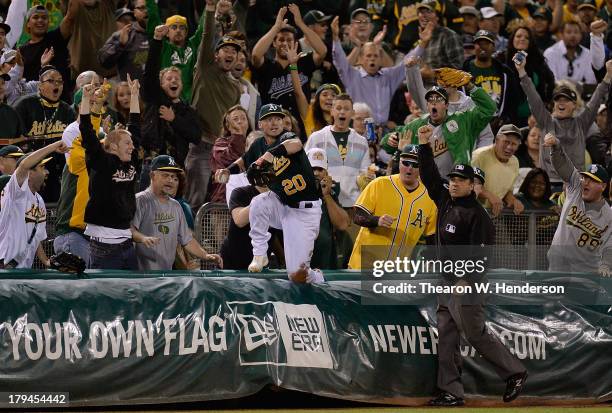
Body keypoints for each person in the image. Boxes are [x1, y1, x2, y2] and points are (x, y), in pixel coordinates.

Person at [416, 124, 528, 407]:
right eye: (452, 178)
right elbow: (429, 176)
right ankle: (451, 391)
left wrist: (465, 280)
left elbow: (481, 256)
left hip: (467, 285)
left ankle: (515, 372)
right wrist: (424, 144)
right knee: (448, 337)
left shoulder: (479, 217)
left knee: (474, 333)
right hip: (447, 281)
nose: (454, 182)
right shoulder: (446, 201)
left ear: (474, 186)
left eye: (461, 179)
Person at [516, 54, 612, 187]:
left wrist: (608, 76)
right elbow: (533, 97)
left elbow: (596, 99)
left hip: (574, 185)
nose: (561, 103)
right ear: (554, 104)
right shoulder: (545, 121)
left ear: (574, 105)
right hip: (547, 184)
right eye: (558, 100)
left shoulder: (581, 122)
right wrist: (522, 71)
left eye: (566, 100)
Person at [79, 75, 141, 270]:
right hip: (103, 246)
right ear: (113, 146)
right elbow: (87, 132)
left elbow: (135, 127)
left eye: (131, 143)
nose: (132, 147)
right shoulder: (101, 162)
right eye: (127, 143)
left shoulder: (131, 163)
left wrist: (135, 96)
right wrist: (85, 101)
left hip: (127, 242)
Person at [246, 131, 324, 283]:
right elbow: (248, 169)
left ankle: (317, 277)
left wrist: (267, 156)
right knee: (258, 203)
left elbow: (295, 143)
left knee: (297, 274)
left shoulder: (291, 150)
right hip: (284, 206)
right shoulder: (269, 166)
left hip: (305, 213)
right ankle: (260, 254)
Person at [186, 0, 241, 211]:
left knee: (221, 201)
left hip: (222, 150)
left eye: (234, 51)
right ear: (215, 54)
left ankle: (213, 242)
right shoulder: (205, 68)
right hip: (200, 146)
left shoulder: (236, 88)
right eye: (225, 49)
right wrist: (210, 10)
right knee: (195, 200)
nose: (229, 53)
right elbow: (207, 37)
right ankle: (186, 243)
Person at [348, 144, 437, 269]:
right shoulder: (380, 184)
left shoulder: (430, 197)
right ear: (399, 162)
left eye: (415, 164)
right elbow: (357, 216)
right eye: (405, 163)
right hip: (363, 265)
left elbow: (432, 237)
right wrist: (376, 220)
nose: (409, 168)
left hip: (396, 271)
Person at [381, 81, 496, 178]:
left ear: (446, 105)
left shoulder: (462, 120)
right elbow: (387, 142)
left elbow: (489, 108)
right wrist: (390, 140)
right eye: (430, 101)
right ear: (427, 106)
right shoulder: (416, 125)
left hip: (454, 183)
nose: (434, 103)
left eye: (438, 100)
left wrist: (470, 86)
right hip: (423, 185)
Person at [131, 155, 222, 271]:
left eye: (174, 177)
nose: (171, 180)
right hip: (142, 275)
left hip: (167, 274)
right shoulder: (140, 200)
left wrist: (205, 255)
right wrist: (143, 238)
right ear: (152, 175)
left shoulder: (176, 206)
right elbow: (129, 231)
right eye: (165, 175)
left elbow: (187, 240)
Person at [251, 5, 327, 134]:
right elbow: (256, 55)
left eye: (289, 40)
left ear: (295, 43)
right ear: (274, 43)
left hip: (300, 127)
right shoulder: (267, 66)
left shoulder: (303, 62)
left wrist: (300, 24)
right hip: (272, 128)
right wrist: (276, 28)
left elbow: (322, 51)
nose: (285, 43)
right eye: (280, 39)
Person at [544, 132, 612, 275]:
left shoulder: (609, 215)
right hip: (558, 267)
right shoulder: (575, 188)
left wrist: (606, 265)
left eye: (593, 180)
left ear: (603, 187)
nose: (586, 183)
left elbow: (609, 247)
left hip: (587, 274)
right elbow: (564, 166)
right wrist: (556, 147)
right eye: (585, 178)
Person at [141, 24, 202, 173]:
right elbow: (150, 72)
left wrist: (174, 119)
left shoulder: (188, 111)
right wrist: (157, 40)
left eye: (177, 79)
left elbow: (196, 136)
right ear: (161, 84)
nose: (174, 81)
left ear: (182, 85)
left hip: (177, 167)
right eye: (169, 79)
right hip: (151, 164)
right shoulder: (155, 99)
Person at [0, 140, 69, 269]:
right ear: (29, 173)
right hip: (5, 266)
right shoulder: (16, 192)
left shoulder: (39, 200)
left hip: (24, 268)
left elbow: (36, 237)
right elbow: (24, 165)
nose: (46, 172)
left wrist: (46, 261)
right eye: (42, 168)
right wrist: (53, 147)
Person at [14, 65, 76, 202]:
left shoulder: (67, 110)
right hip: (31, 168)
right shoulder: (24, 105)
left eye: (60, 81)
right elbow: (16, 140)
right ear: (40, 86)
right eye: (52, 81)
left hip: (57, 170)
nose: (57, 85)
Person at [331, 15, 408, 126]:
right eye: (368, 56)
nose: (372, 58)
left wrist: (379, 45)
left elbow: (395, 66)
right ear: (360, 59)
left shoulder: (386, 76)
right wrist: (335, 37)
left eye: (375, 56)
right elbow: (340, 62)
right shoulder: (353, 75)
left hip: (383, 129)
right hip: (359, 128)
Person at [305, 94, 371, 208]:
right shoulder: (316, 138)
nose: (342, 112)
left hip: (353, 205)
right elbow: (305, 168)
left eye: (346, 109)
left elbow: (365, 172)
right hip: (322, 204)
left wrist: (367, 177)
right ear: (332, 111)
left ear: (353, 113)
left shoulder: (362, 142)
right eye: (338, 108)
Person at [145, 0, 206, 102]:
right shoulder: (163, 47)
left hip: (189, 104)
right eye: (174, 27)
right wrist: (150, 2)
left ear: (186, 33)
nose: (178, 30)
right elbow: (153, 18)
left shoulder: (193, 45)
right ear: (167, 32)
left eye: (182, 28)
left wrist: (210, 6)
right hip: (166, 102)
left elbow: (203, 27)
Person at [18, 3, 80, 102]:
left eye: (44, 17)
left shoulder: (56, 38)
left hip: (61, 103)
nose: (40, 20)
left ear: (48, 23)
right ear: (28, 24)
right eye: (35, 17)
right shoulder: (21, 51)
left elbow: (70, 17)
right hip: (33, 105)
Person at [500, 26, 555, 127]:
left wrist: (546, 103)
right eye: (518, 36)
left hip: (534, 118)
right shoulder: (502, 59)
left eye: (527, 37)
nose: (522, 39)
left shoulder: (538, 60)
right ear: (512, 39)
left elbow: (550, 81)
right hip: (509, 117)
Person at [463, 30, 519, 125]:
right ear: (474, 47)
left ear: (493, 47)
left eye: (486, 43)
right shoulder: (463, 72)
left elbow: (513, 100)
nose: (482, 47)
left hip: (498, 124)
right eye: (479, 44)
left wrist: (504, 119)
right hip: (472, 123)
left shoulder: (505, 72)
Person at [307, 148, 350, 269]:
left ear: (326, 172)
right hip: (303, 259)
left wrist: (326, 195)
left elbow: (342, 225)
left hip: (325, 259)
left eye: (320, 169)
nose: (316, 173)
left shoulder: (330, 193)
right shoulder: (296, 192)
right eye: (312, 169)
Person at [471, 124, 524, 217]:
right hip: (472, 211)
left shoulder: (515, 162)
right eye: (506, 142)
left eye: (514, 144)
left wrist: (514, 200)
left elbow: (507, 191)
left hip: (494, 214)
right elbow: (471, 185)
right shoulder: (479, 156)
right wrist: (489, 195)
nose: (509, 147)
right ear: (496, 140)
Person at [98, 0, 149, 80]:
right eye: (142, 8)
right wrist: (120, 45)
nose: (146, 11)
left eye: (150, 8)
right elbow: (103, 61)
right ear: (135, 12)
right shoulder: (122, 36)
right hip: (131, 91)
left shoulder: (165, 33)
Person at [209, 105, 249, 203]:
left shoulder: (255, 142)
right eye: (235, 119)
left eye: (243, 118)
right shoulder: (220, 143)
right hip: (223, 202)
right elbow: (229, 160)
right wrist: (238, 136)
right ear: (228, 125)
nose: (240, 121)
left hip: (249, 202)